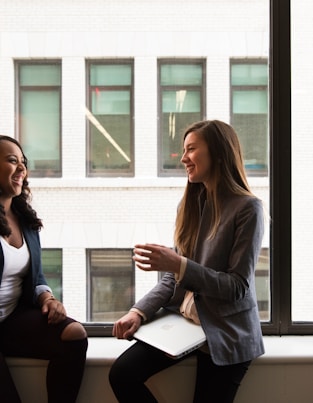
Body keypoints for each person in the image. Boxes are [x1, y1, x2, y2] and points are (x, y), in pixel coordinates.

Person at [109, 120, 265, 403]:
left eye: (191, 149)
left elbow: (237, 286)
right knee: (122, 374)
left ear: (218, 153)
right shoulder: (190, 204)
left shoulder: (248, 208)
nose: (183, 158)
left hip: (226, 332)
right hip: (187, 325)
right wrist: (138, 312)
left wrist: (179, 265)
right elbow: (173, 278)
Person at [0, 135, 88, 403]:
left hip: (11, 319)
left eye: (23, 163)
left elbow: (35, 276)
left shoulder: (24, 219)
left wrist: (47, 298)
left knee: (74, 335)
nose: (21, 169)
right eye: (12, 160)